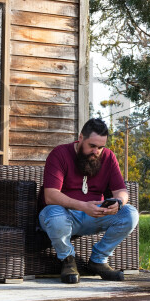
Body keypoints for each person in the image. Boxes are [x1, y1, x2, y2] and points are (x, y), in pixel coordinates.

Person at [38, 118, 139, 284]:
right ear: (80, 138)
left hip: (95, 215)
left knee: (130, 214)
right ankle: (68, 260)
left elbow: (122, 191)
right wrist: (83, 206)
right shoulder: (60, 154)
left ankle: (98, 260)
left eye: (101, 147)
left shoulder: (108, 157)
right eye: (92, 146)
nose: (96, 151)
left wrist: (118, 202)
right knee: (53, 213)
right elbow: (50, 195)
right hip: (64, 215)